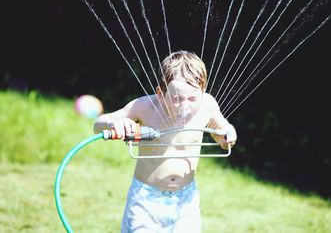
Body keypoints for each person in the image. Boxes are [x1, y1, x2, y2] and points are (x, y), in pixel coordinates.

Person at [93, 50, 237, 233]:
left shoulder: (207, 105)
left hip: (186, 200)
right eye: (177, 99)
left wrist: (228, 135)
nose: (186, 106)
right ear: (160, 93)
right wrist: (116, 123)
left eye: (193, 98)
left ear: (203, 91)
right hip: (146, 200)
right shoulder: (145, 106)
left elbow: (222, 129)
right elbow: (98, 124)